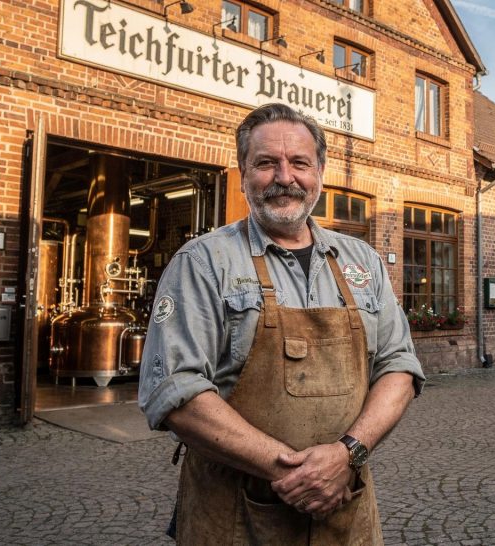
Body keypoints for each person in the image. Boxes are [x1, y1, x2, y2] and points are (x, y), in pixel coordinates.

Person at [138, 103, 426, 545]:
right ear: (243, 173)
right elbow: (174, 389)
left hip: (345, 514)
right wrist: (299, 473)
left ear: (320, 173)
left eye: (300, 163)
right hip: (234, 519)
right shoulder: (203, 262)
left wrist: (347, 454)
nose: (285, 177)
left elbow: (399, 366)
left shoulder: (362, 261)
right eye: (267, 163)